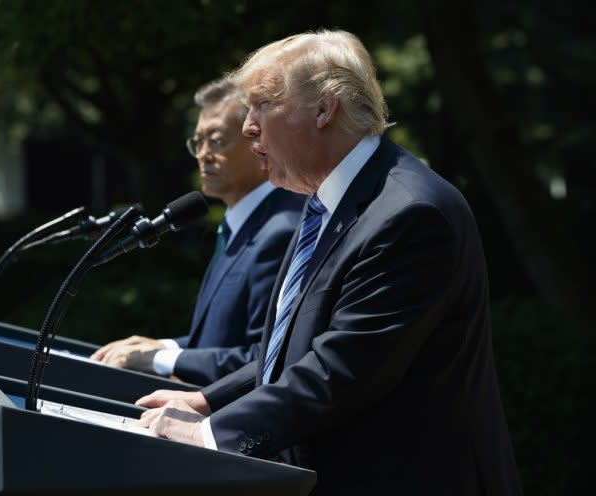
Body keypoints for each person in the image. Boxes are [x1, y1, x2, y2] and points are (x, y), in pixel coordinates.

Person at [135, 30, 522, 495]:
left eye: (262, 104)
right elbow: (287, 352)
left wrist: (210, 434)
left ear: (323, 108)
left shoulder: (411, 213)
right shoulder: (324, 201)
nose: (248, 127)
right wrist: (204, 400)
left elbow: (342, 371)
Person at [90, 78, 304, 385]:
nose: (203, 154)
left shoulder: (280, 232)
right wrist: (165, 346)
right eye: (198, 142)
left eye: (216, 141)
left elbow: (266, 359)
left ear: (259, 143)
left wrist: (160, 360)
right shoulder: (238, 223)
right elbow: (220, 341)